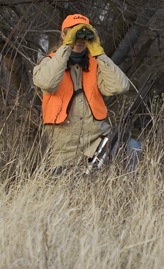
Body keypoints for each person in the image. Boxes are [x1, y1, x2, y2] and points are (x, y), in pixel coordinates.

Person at [33, 14, 136, 171]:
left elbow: (120, 87)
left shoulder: (96, 64)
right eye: (74, 33)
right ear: (63, 35)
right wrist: (67, 46)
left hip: (97, 143)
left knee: (133, 148)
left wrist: (99, 53)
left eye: (84, 34)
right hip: (63, 150)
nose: (80, 40)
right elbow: (48, 83)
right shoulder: (49, 62)